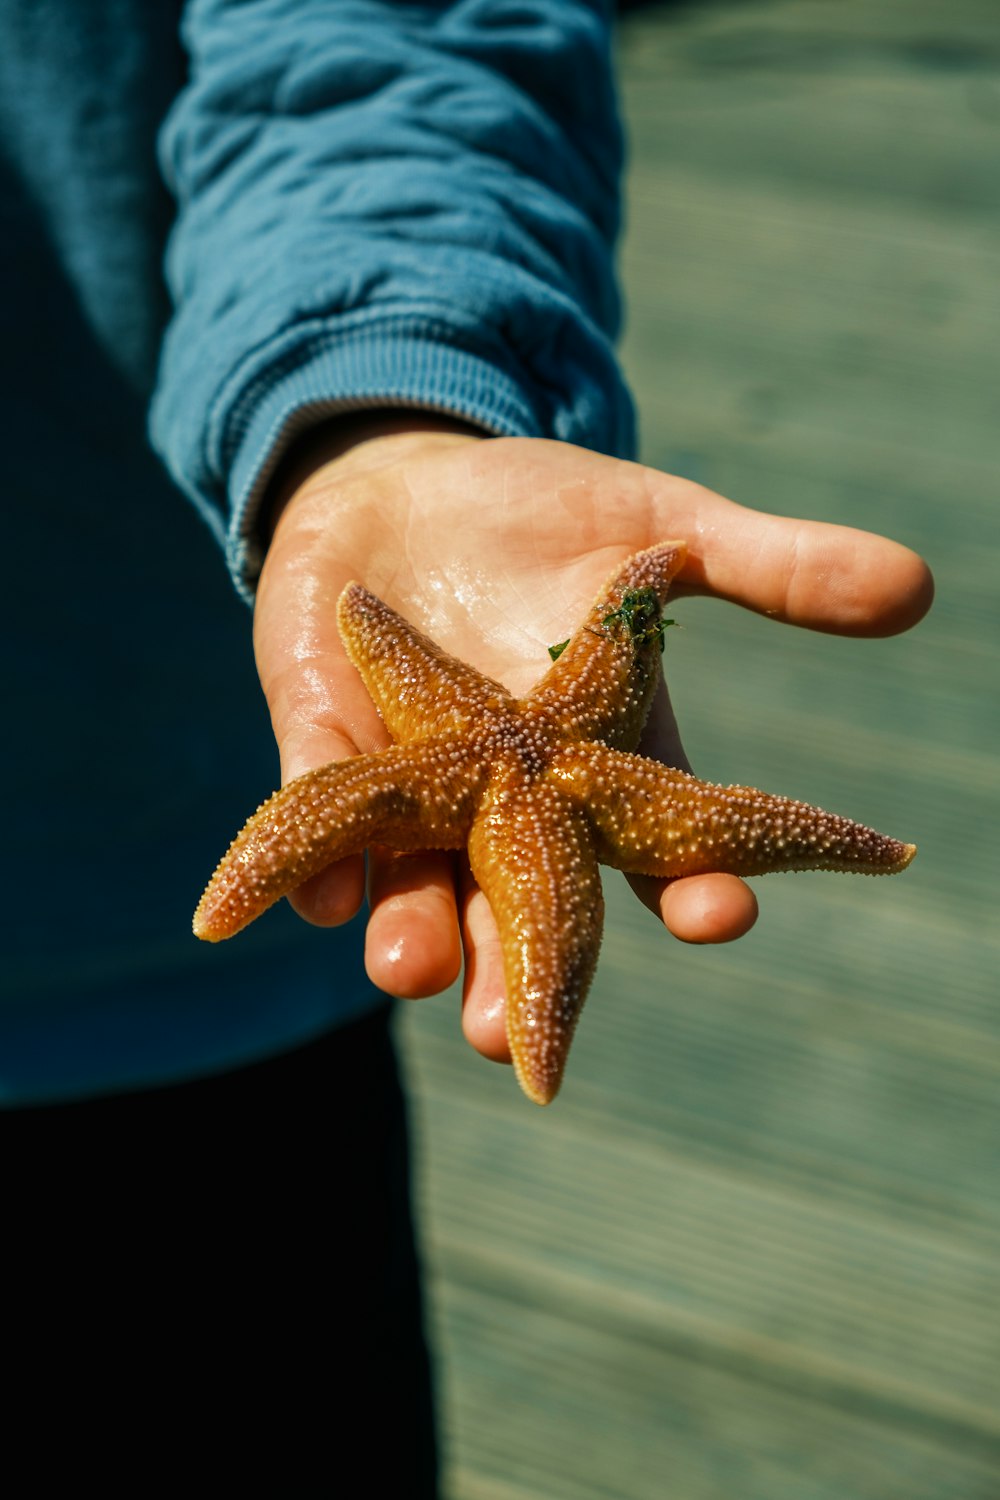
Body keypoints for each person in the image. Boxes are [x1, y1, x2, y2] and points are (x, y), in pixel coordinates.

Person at [0, 0, 932, 1490]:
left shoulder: (496, 754)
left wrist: (379, 415)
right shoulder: (529, 759)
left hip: (165, 990)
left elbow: (394, 43)